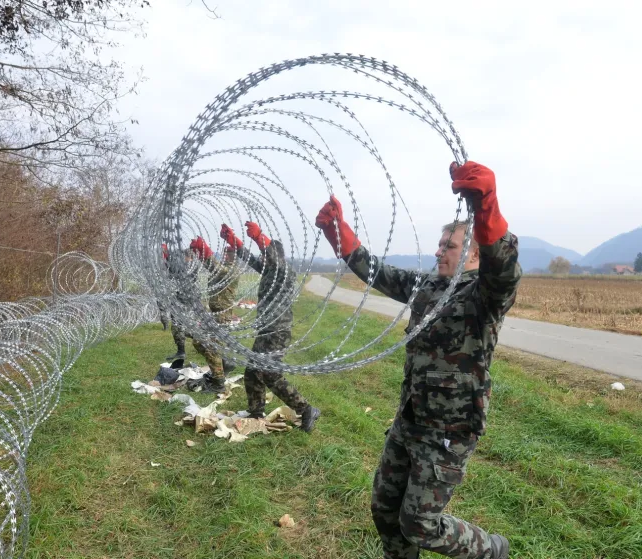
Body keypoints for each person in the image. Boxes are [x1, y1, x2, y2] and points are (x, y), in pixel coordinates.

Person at [314, 161, 520, 559]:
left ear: (474, 253)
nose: (441, 251)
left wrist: (486, 209)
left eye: (451, 246)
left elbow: (505, 272)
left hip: (450, 427)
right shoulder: (428, 286)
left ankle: (490, 549)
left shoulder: (484, 295)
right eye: (440, 245)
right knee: (385, 509)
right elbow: (378, 272)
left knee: (420, 524)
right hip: (410, 417)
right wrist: (340, 235)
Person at [220, 221, 322, 433]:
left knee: (270, 373)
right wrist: (235, 242)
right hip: (266, 329)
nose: (263, 260)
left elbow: (274, 261)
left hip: (278, 331)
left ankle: (306, 409)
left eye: (267, 256)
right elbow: (251, 259)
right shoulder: (269, 271)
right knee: (252, 371)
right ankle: (256, 413)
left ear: (275, 256)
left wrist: (260, 238)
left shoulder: (283, 272)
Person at [186, 236, 240, 391]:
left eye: (228, 252)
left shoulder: (232, 270)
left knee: (210, 346)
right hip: (215, 313)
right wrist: (201, 255)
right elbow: (213, 268)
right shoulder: (224, 267)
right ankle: (225, 365)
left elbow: (218, 269)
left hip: (222, 315)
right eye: (224, 252)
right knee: (199, 341)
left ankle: (218, 382)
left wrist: (205, 251)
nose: (225, 255)